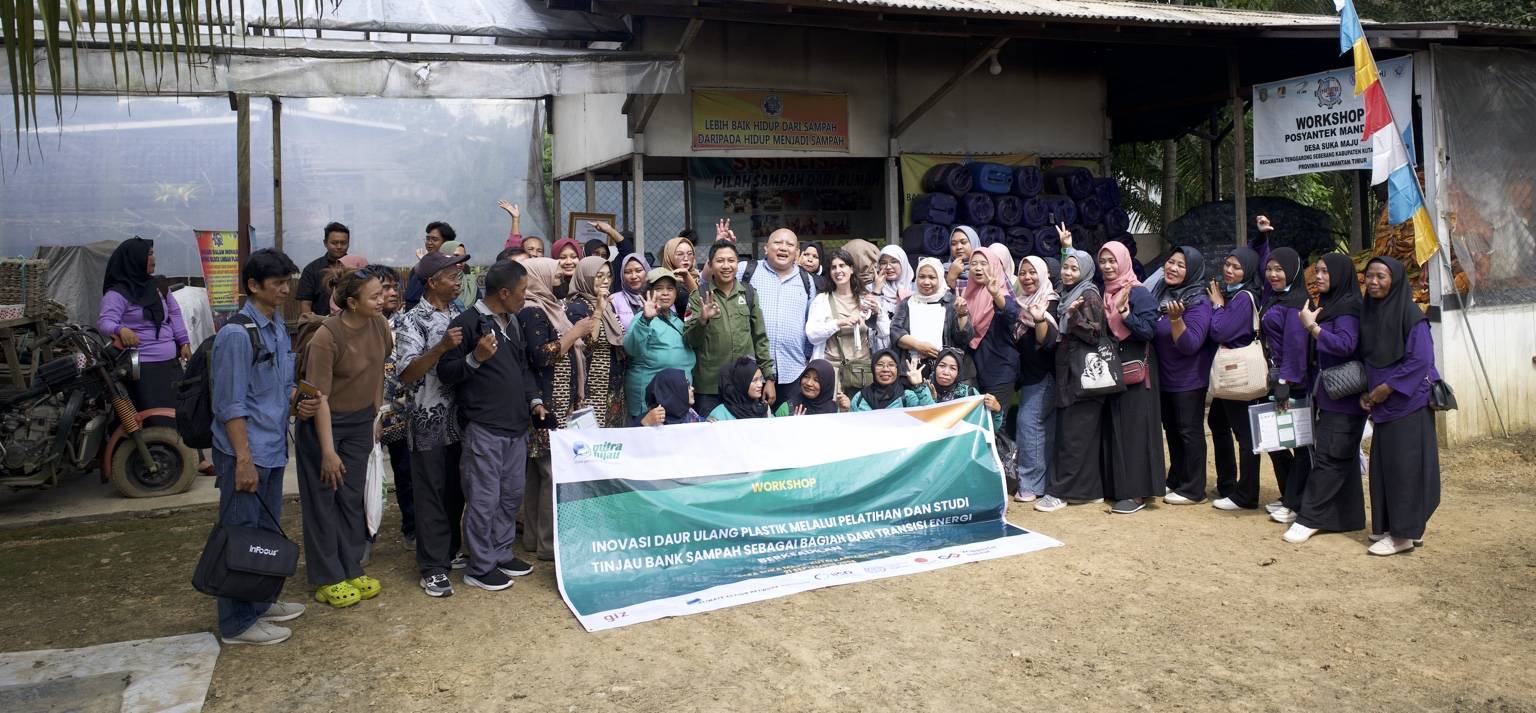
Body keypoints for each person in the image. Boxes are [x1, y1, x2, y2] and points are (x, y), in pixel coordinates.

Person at [211, 249, 312, 646]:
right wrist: (242, 460)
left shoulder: (276, 327)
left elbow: (277, 386)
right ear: (253, 286)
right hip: (246, 451)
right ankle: (235, 623)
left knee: (265, 534)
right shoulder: (236, 334)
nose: (286, 289)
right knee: (240, 534)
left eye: (288, 281)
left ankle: (259, 602)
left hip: (270, 447)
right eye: (278, 283)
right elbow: (229, 405)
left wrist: (298, 399)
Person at [437, 260, 543, 592]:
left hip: (515, 427)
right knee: (484, 499)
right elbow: (445, 371)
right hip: (484, 428)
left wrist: (534, 401)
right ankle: (480, 566)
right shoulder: (468, 323)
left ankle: (500, 553)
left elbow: (523, 369)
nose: (527, 296)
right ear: (504, 292)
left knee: (511, 496)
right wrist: (475, 358)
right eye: (524, 291)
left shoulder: (512, 322)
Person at [296, 268, 391, 607]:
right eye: (375, 296)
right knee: (324, 500)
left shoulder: (380, 325)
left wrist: (375, 415)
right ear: (351, 302)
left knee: (351, 499)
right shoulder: (327, 336)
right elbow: (318, 396)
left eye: (383, 292)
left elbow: (378, 369)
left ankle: (352, 567)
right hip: (324, 426)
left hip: (360, 424)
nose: (383, 300)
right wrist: (327, 451)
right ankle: (327, 577)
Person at [393, 251, 470, 597]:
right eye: (453, 276)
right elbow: (406, 374)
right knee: (431, 493)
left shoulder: (459, 313)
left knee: (455, 490)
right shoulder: (411, 321)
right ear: (432, 282)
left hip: (460, 420)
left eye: (459, 276)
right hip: (427, 421)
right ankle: (432, 567)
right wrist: (439, 347)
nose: (458, 282)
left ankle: (449, 551)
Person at [1359, 256, 1439, 556]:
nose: (1374, 282)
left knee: (1405, 469)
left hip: (1408, 403)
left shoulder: (1410, 314)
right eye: (1370, 276)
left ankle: (1404, 535)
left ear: (1395, 280)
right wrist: (1367, 392)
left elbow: (1420, 359)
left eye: (1382, 276)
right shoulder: (1371, 312)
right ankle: (1390, 527)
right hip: (1382, 405)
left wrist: (1387, 388)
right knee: (1384, 467)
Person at [1284, 252, 1367, 544]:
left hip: (1345, 398)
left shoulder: (1348, 309)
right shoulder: (1330, 306)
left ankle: (1310, 517)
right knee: (1339, 457)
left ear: (1341, 275)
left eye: (1325, 272)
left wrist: (1312, 327)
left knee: (1330, 458)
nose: (1318, 277)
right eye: (1316, 271)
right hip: (1330, 395)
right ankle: (1348, 517)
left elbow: (1345, 345)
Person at [518, 258, 596, 563]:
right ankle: (550, 544)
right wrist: (575, 332)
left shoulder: (548, 305)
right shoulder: (532, 310)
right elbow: (541, 356)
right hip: (546, 403)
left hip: (556, 400)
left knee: (540, 474)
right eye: (552, 272)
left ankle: (534, 539)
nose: (558, 276)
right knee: (551, 473)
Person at [1035, 249, 1108, 513]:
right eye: (1066, 267)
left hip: (1081, 376)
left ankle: (1059, 492)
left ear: (1086, 272)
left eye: (1074, 269)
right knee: (1079, 436)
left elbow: (1096, 333)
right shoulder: (1070, 294)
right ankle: (1090, 491)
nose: (1067, 273)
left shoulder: (1088, 295)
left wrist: (1075, 318)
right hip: (1071, 374)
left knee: (1072, 437)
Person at [1097, 239, 1163, 514]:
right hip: (1116, 367)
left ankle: (1137, 493)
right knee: (1117, 427)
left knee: (1137, 430)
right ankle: (1120, 487)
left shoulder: (1138, 293)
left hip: (1138, 367)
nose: (1108, 266)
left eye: (1113, 261)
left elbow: (1149, 331)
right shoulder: (1107, 292)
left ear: (1124, 262)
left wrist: (1125, 314)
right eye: (1104, 261)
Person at [97, 237, 191, 430]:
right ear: (134, 259)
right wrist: (120, 329)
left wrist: (183, 342)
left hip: (169, 364)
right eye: (148, 254)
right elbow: (105, 321)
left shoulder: (159, 287)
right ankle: (154, 458)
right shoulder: (118, 293)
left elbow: (174, 314)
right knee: (152, 421)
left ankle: (188, 458)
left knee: (179, 413)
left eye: (152, 253)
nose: (153, 258)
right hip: (142, 371)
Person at [1148, 246, 1214, 505]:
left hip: (1188, 380)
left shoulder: (1198, 301)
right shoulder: (1161, 293)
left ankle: (1194, 488)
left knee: (1190, 432)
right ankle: (1176, 478)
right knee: (1173, 430)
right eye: (1170, 262)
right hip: (1164, 378)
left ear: (1193, 271)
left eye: (1181, 265)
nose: (1172, 268)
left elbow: (1190, 344)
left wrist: (1176, 320)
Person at [685, 241, 776, 417]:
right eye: (720, 261)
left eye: (731, 260)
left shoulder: (749, 293)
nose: (726, 266)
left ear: (737, 264)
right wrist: (702, 320)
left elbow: (760, 338)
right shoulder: (699, 296)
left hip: (745, 387)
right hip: (710, 388)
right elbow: (689, 340)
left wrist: (769, 378)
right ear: (710, 265)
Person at [1207, 246, 1266, 511]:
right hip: (1232, 374)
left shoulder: (1242, 297)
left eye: (1237, 267)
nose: (1229, 270)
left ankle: (1246, 494)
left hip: (1239, 374)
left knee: (1245, 435)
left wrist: (1218, 307)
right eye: (1228, 264)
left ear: (1249, 271)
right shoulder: (1237, 293)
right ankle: (1228, 484)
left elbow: (1221, 331)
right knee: (1217, 420)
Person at [1261, 247, 1312, 524]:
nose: (1272, 274)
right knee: (1277, 440)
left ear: (1293, 270)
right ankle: (1290, 495)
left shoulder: (1296, 303)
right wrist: (1263, 238)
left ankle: (1296, 502)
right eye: (1270, 269)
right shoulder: (1276, 297)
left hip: (1291, 381)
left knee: (1298, 443)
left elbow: (1296, 346)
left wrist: (1285, 382)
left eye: (1279, 269)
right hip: (1276, 377)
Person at [744, 228, 817, 410]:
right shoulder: (746, 271)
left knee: (790, 425)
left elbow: (810, 321)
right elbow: (711, 280)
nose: (783, 248)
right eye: (777, 243)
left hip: (793, 369)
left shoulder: (806, 280)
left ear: (797, 253)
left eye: (790, 244)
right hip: (752, 370)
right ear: (766, 248)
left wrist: (807, 357)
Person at [961, 246, 1022, 448]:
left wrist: (995, 294)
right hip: (975, 371)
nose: (978, 268)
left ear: (995, 266)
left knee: (996, 425)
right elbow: (961, 337)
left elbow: (1011, 315)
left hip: (1000, 370)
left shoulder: (1002, 293)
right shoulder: (966, 296)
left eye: (983, 263)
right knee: (976, 426)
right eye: (973, 264)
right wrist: (960, 316)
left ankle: (1003, 474)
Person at [373, 266, 414, 553]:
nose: (389, 293)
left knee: (406, 473)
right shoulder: (356, 324)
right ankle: (364, 535)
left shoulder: (407, 323)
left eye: (393, 287)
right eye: (383, 288)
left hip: (400, 412)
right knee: (366, 476)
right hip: (366, 414)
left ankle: (412, 528)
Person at [1012, 255, 1060, 503]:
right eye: (1023, 272)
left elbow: (1046, 341)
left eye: (1033, 272)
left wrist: (1039, 318)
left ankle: (1031, 484)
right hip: (1030, 376)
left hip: (1043, 375)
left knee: (1030, 426)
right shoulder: (1020, 301)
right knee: (1041, 428)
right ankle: (1040, 481)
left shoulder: (1048, 302)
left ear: (1043, 275)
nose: (1028, 277)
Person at [807, 249, 886, 396]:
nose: (838, 271)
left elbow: (885, 333)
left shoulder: (865, 298)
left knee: (860, 413)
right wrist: (839, 323)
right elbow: (812, 334)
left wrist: (878, 313)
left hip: (861, 370)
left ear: (851, 269)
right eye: (833, 267)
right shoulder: (822, 300)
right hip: (831, 370)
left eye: (842, 266)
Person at [623, 268, 696, 422]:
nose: (665, 293)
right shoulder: (642, 318)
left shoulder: (676, 319)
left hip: (675, 401)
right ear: (648, 292)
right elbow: (631, 348)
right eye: (658, 289)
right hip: (651, 401)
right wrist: (645, 319)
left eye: (670, 289)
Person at [891, 257, 973, 384]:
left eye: (932, 277)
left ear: (940, 278)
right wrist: (918, 345)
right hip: (913, 370)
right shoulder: (907, 303)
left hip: (944, 372)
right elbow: (895, 332)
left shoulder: (952, 302)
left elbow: (963, 338)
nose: (926, 281)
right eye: (922, 276)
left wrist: (962, 315)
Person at [571, 256, 628, 427]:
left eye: (608, 275)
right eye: (598, 275)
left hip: (612, 389)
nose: (605, 280)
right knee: (593, 447)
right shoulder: (577, 307)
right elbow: (587, 344)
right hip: (593, 390)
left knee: (612, 446)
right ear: (586, 277)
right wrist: (598, 310)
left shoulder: (607, 304)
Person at [927, 348, 1002, 431]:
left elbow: (990, 428)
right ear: (935, 367)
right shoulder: (923, 390)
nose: (945, 372)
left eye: (953, 368)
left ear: (958, 373)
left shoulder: (968, 394)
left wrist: (997, 410)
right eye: (942, 366)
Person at [849, 349, 934, 411]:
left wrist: (919, 386)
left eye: (891, 365)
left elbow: (930, 414)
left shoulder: (906, 397)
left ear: (898, 370)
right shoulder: (860, 398)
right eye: (880, 364)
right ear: (872, 368)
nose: (885, 369)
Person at [296, 222, 350, 317]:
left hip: (352, 324)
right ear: (325, 243)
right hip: (321, 324)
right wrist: (310, 325)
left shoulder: (355, 267)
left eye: (343, 243)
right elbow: (306, 303)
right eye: (334, 243)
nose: (339, 247)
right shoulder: (312, 270)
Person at [404, 222, 456, 309]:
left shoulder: (458, 267)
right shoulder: (418, 269)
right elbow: (411, 298)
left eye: (434, 239)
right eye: (427, 239)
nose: (429, 243)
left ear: (446, 243)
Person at [774, 359, 849, 416]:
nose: (809, 383)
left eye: (816, 380)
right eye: (806, 376)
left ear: (826, 384)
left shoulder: (835, 409)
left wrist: (844, 412)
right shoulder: (788, 407)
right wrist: (791, 426)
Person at [707, 357, 771, 421]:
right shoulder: (720, 413)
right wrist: (708, 425)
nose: (760, 384)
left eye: (760, 379)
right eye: (754, 380)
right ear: (742, 383)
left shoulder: (764, 409)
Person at [636, 368, 705, 425]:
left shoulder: (688, 413)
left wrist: (707, 423)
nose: (692, 388)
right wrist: (645, 424)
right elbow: (633, 438)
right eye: (687, 386)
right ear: (673, 392)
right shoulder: (651, 419)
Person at [872, 245, 915, 325]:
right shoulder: (871, 288)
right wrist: (877, 290)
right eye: (883, 263)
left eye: (894, 261)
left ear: (903, 263)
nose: (888, 267)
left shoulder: (914, 289)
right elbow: (871, 321)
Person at [610, 253, 651, 331]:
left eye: (638, 271)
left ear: (647, 271)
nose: (633, 276)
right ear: (622, 275)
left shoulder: (658, 296)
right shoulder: (614, 300)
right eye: (627, 272)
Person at [660, 235, 698, 319]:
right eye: (680, 254)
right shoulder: (663, 280)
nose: (686, 258)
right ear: (669, 256)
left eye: (690, 254)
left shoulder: (699, 278)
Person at [945, 226, 981, 292]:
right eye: (953, 244)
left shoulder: (984, 270)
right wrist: (951, 276)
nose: (958, 247)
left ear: (974, 243)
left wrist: (951, 280)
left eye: (963, 242)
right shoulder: (941, 270)